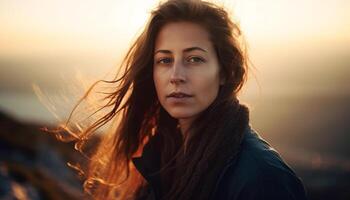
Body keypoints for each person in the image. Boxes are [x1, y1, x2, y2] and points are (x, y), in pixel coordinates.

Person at [63, 0, 308, 199]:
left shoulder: (263, 179)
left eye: (194, 59)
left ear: (225, 71)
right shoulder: (163, 158)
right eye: (164, 60)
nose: (176, 76)